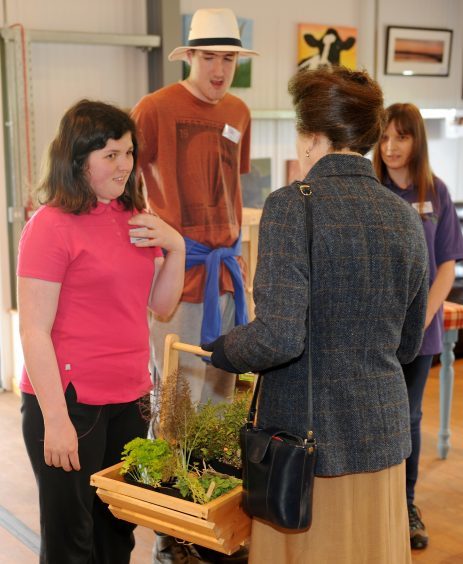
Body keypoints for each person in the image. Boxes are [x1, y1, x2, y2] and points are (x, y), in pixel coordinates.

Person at [202, 66, 429, 564]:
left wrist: (226, 350)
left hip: (305, 446)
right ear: (368, 136)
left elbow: (281, 336)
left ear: (311, 137)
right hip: (382, 440)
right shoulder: (406, 219)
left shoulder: (291, 207)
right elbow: (410, 345)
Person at [17, 99, 185, 564]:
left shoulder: (136, 219)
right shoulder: (49, 226)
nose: (124, 165)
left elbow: (162, 305)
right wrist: (55, 420)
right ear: (77, 159)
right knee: (73, 544)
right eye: (110, 154)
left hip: (130, 404)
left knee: (117, 538)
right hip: (71, 405)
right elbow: (33, 331)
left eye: (128, 153)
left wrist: (177, 248)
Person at [131, 7, 259, 407]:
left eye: (228, 58)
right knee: (176, 400)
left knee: (224, 397)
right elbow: (127, 178)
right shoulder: (153, 108)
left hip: (228, 273)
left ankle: (218, 471)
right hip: (178, 276)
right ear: (189, 57)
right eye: (209, 57)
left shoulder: (240, 111)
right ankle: (171, 472)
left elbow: (230, 186)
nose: (219, 70)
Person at [372, 102, 463, 550]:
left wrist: (422, 316)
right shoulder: (370, 189)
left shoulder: (436, 192)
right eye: (384, 137)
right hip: (373, 334)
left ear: (416, 140)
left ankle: (405, 504)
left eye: (400, 137)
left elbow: (446, 264)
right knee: (372, 419)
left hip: (420, 333)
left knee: (408, 417)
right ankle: (374, 504)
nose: (390, 147)